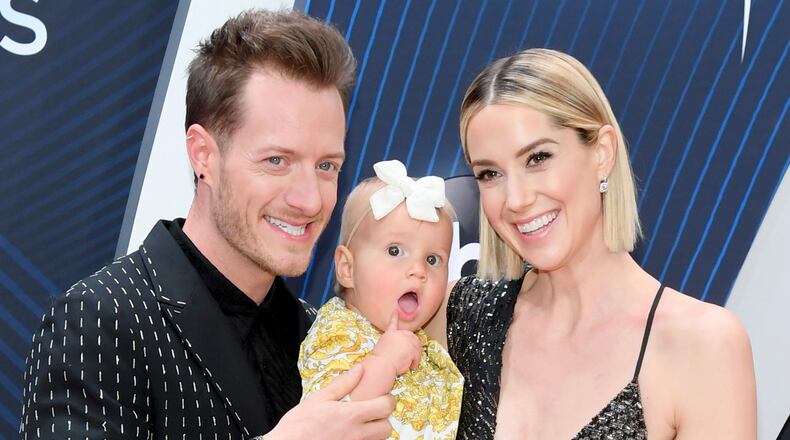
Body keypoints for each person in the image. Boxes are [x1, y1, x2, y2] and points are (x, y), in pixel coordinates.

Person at [19, 9, 395, 440]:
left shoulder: (321, 337)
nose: (310, 199)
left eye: (327, 165)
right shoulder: (100, 321)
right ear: (203, 155)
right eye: (277, 161)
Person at [427, 48, 757, 439]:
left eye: (537, 158)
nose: (515, 199)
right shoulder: (452, 315)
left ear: (602, 153)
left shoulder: (702, 346)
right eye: (490, 174)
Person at [299, 160, 464, 440]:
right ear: (347, 269)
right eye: (395, 251)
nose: (418, 270)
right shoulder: (338, 332)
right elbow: (329, 420)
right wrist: (383, 363)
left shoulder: (427, 347)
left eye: (432, 259)